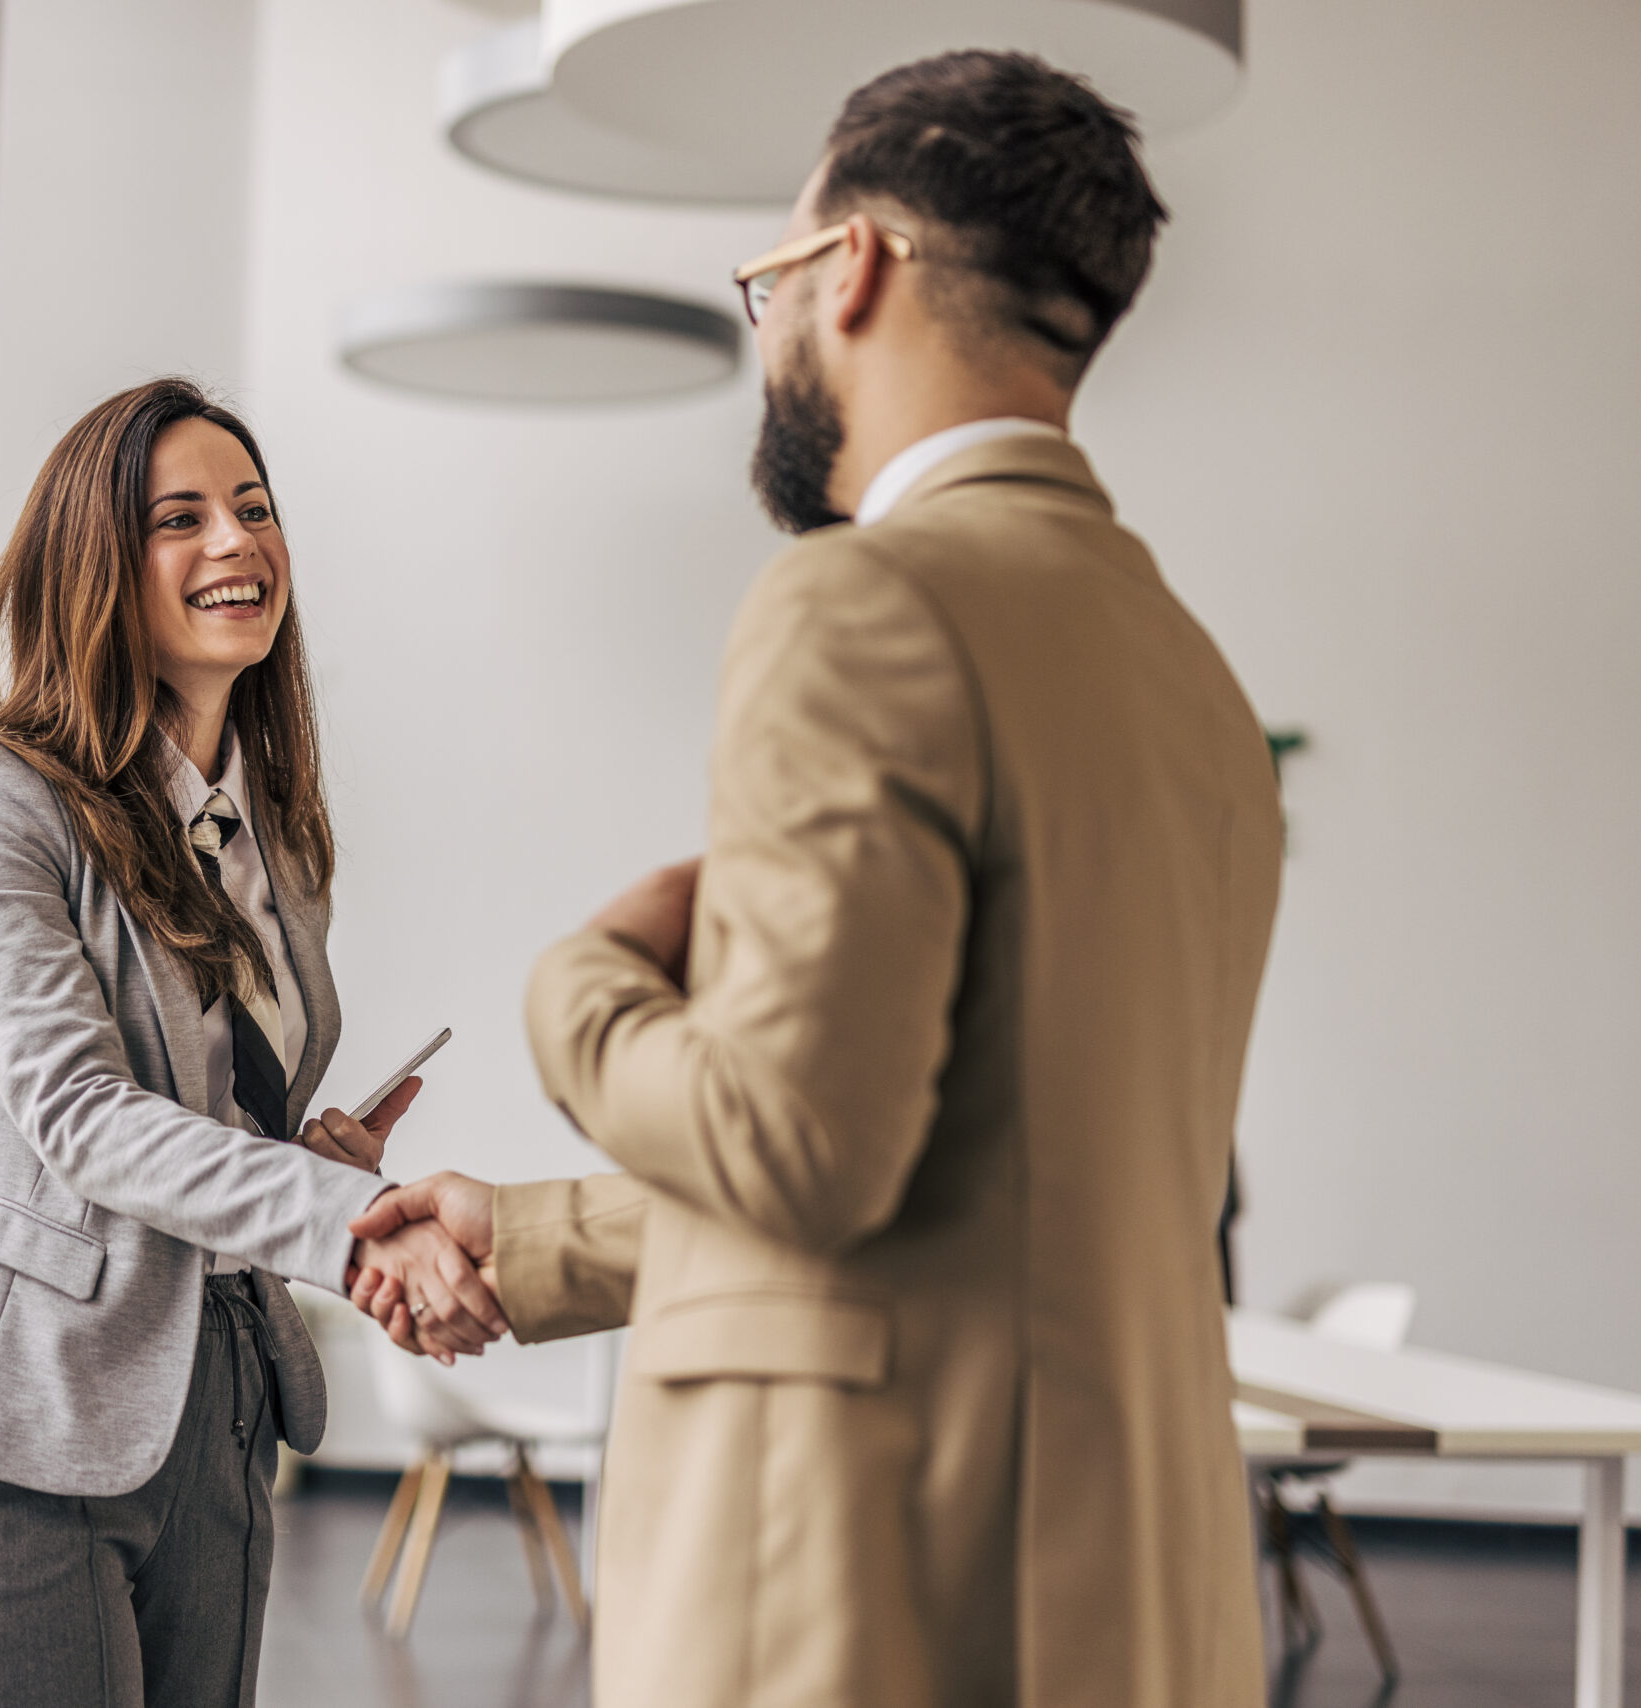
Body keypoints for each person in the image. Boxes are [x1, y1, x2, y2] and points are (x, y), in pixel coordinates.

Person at [352, 51, 1282, 1708]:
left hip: (860, 1597)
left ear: (850, 266)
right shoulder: (1192, 684)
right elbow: (967, 1179)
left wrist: (581, 988)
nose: (768, 325)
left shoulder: (860, 606)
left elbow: (798, 1150)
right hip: (1118, 1599)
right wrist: (538, 1239)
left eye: (767, 279)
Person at [0, 378, 504, 1708]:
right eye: (181, 518)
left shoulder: (282, 844)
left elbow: (198, 1124)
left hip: (218, 1418)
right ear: (94, 562)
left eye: (255, 510)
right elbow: (84, 1122)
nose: (237, 543)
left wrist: (305, 1154)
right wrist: (355, 1212)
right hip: (13, 1443)